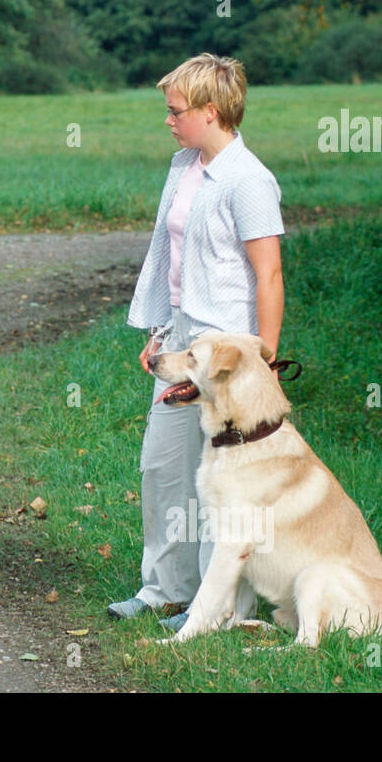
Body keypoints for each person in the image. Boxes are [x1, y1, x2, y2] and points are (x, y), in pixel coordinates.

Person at [107, 53, 284, 629]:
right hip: (185, 339)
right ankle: (163, 590)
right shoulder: (184, 166)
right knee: (163, 466)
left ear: (211, 111)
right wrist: (162, 331)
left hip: (228, 354)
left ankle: (219, 611)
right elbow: (174, 260)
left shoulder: (249, 180)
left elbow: (269, 276)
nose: (168, 121)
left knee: (225, 480)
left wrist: (265, 361)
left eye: (176, 111)